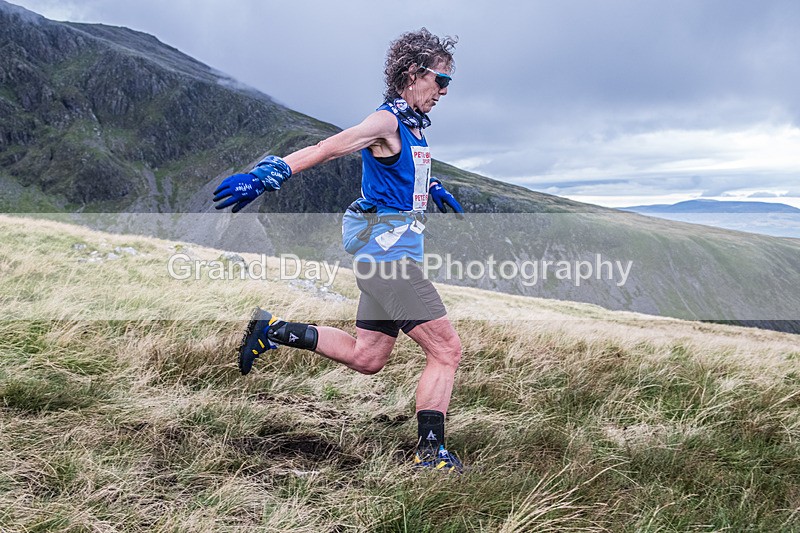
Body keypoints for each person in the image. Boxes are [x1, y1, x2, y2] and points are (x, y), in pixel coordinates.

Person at [212, 28, 465, 472]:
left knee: (367, 358)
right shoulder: (386, 122)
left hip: (383, 260)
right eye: (440, 81)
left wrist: (432, 188)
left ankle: (271, 331)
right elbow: (328, 148)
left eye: (448, 83)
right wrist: (268, 174)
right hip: (391, 265)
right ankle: (431, 454)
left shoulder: (414, 129)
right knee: (446, 351)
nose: (444, 91)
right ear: (413, 72)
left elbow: (396, 176)